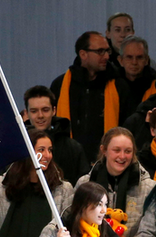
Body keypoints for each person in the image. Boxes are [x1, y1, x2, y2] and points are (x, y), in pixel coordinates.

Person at [50, 31, 132, 162]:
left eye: (107, 51)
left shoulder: (119, 86)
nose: (106, 56)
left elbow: (127, 128)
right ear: (83, 54)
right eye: (100, 51)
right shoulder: (60, 85)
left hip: (106, 163)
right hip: (68, 162)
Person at [24, 86, 90, 184]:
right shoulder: (18, 147)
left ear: (54, 110)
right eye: (34, 111)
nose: (40, 115)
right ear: (27, 113)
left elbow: (84, 187)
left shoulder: (73, 148)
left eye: (45, 110)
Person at [117, 35, 156, 112]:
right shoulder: (111, 84)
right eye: (129, 57)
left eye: (139, 57)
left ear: (146, 60)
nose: (134, 62)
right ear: (120, 60)